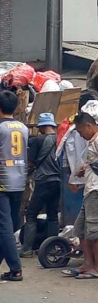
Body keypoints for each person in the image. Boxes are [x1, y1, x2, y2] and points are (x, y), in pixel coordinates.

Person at [64, 112, 98, 279]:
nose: (81, 135)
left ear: (89, 125)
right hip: (90, 191)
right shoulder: (94, 141)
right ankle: (87, 265)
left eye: (80, 131)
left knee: (97, 231)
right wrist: (85, 169)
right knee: (82, 230)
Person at [20, 112, 61, 257]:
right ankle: (52, 248)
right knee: (52, 215)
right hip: (58, 181)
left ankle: (27, 249)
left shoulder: (38, 141)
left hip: (43, 181)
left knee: (31, 214)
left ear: (41, 127)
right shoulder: (60, 139)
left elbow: (31, 162)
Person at [0, 90, 28, 281]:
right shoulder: (23, 128)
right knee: (6, 227)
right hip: (19, 181)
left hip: (2, 183)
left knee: (4, 228)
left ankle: (16, 268)